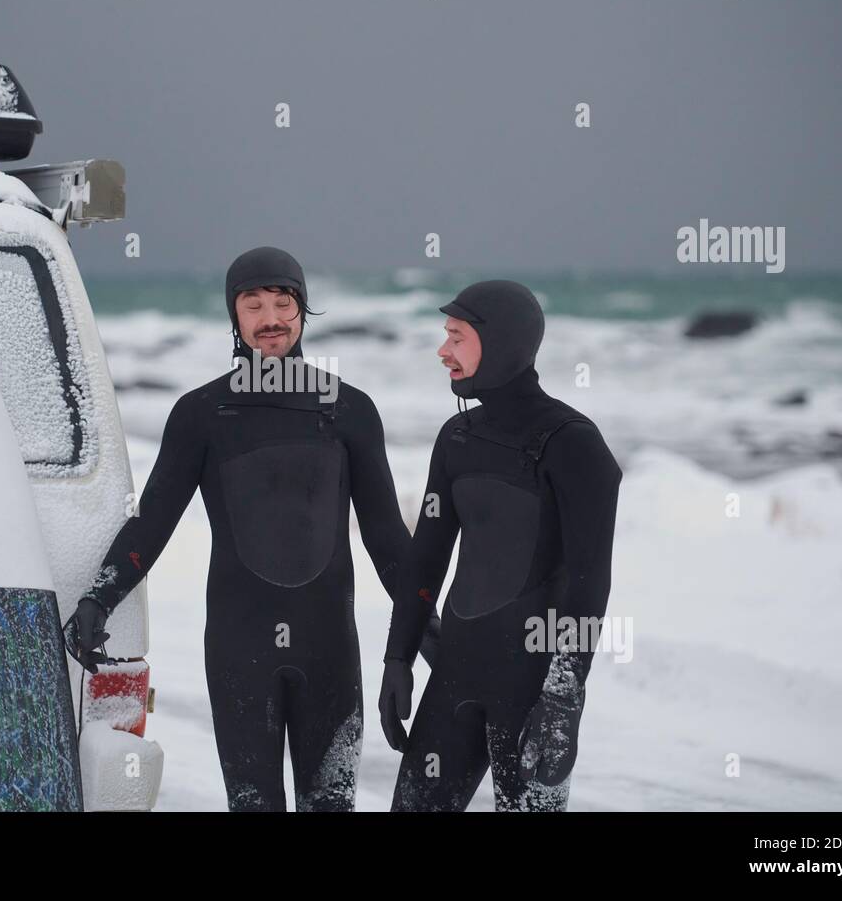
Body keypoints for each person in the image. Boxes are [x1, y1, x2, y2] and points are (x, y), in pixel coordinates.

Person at [64, 246, 438, 811]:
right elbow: (154, 524)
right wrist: (100, 596)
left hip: (330, 650)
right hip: (240, 653)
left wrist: (422, 637)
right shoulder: (202, 414)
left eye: (283, 302)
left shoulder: (350, 410)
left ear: (303, 309)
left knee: (332, 806)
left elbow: (387, 539)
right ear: (234, 315)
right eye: (253, 304)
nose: (269, 319)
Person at [379, 279, 621, 811]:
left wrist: (562, 698)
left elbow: (589, 582)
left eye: (457, 337)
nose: (443, 351)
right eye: (446, 336)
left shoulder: (575, 445)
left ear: (503, 341)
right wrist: (398, 657)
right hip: (455, 676)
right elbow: (428, 556)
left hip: (533, 687)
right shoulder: (457, 438)